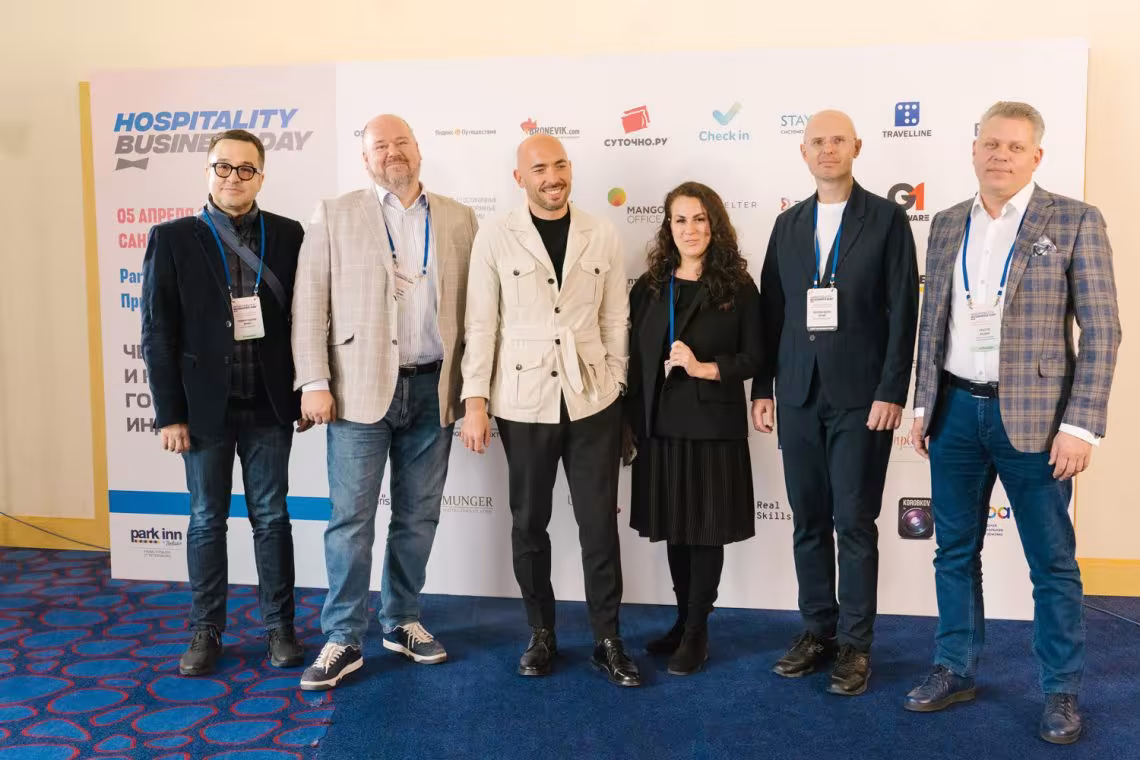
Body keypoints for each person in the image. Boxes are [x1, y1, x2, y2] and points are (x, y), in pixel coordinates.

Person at [904, 101, 1121, 745]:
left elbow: (1103, 330)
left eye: (1015, 147)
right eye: (991, 144)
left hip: (1038, 422)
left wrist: (1081, 426)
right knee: (953, 552)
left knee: (1051, 563)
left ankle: (1060, 690)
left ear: (1036, 156)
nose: (1000, 155)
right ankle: (955, 667)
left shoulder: (1075, 220)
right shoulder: (947, 223)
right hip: (954, 415)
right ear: (974, 149)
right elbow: (933, 325)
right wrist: (922, 405)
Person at [291, 114, 478, 690]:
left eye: (401, 143)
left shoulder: (458, 217)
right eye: (380, 146)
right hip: (357, 390)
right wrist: (313, 380)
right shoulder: (335, 213)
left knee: (418, 515)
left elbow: (476, 309)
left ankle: (402, 620)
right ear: (365, 158)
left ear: (418, 150)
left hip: (434, 386)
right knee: (351, 520)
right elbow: (309, 302)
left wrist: (474, 389)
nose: (392, 152)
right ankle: (343, 636)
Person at [459, 134, 639, 687]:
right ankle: (541, 633)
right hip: (522, 400)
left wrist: (616, 383)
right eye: (539, 169)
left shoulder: (601, 232)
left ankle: (607, 638)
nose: (552, 177)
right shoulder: (495, 234)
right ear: (520, 178)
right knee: (529, 523)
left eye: (560, 165)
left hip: (593, 399)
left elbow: (615, 319)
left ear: (571, 169)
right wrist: (475, 401)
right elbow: (481, 324)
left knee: (598, 526)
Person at [751, 109, 919, 695]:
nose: (827, 149)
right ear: (803, 152)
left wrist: (891, 391)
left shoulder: (888, 220)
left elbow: (904, 310)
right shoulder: (788, 225)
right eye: (817, 141)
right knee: (808, 520)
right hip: (798, 393)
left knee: (853, 521)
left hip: (860, 399)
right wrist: (763, 387)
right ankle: (817, 631)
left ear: (857, 148)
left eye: (838, 141)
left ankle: (855, 645)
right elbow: (771, 312)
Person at [141, 129, 308, 676]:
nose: (233, 177)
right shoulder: (172, 238)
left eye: (245, 169)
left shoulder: (288, 234)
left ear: (261, 176)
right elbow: (157, 333)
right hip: (203, 410)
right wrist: (170, 414)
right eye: (223, 167)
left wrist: (306, 387)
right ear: (208, 171)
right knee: (207, 520)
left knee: (272, 518)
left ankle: (279, 627)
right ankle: (206, 628)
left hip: (268, 404)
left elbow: (307, 319)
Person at [626, 181, 761, 676]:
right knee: (676, 530)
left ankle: (699, 631)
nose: (690, 229)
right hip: (660, 427)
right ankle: (684, 621)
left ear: (714, 224)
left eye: (700, 219)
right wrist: (630, 424)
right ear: (668, 227)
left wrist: (706, 368)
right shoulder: (650, 287)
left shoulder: (737, 287)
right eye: (680, 220)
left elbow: (757, 357)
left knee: (705, 532)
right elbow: (633, 360)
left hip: (712, 429)